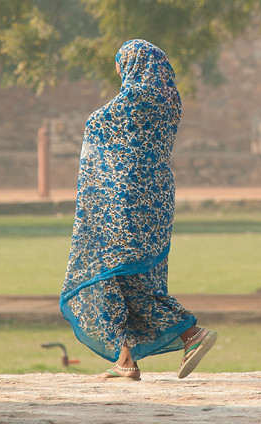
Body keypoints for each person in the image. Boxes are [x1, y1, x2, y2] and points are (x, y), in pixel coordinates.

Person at [60, 38, 217, 380]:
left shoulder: (135, 100)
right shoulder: (169, 100)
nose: (118, 71)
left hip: (123, 200)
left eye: (120, 63)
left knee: (104, 273)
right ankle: (129, 357)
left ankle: (181, 336)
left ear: (132, 64)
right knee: (131, 276)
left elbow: (97, 123)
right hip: (156, 199)